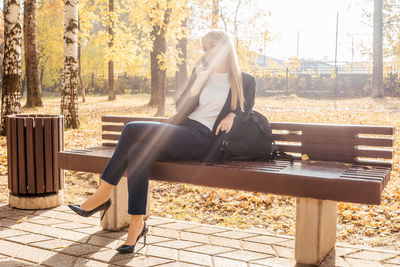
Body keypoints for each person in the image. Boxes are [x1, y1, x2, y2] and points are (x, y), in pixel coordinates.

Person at [68, 29, 256, 254]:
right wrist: (197, 83)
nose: (206, 51)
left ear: (225, 46)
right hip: (182, 131)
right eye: (204, 48)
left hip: (202, 139)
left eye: (211, 45)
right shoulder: (203, 74)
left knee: (131, 129)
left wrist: (233, 114)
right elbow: (182, 108)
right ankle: (137, 225)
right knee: (138, 151)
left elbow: (247, 111)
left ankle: (102, 194)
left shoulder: (245, 80)